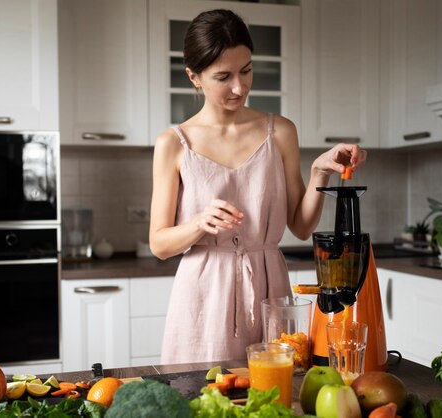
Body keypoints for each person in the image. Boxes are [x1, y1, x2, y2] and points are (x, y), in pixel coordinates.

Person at [149, 9, 367, 364]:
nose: (240, 87)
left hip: (270, 288)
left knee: (276, 396)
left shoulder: (280, 131)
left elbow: (299, 227)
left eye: (246, 70)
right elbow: (158, 243)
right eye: (223, 76)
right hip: (203, 295)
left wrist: (318, 173)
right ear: (194, 77)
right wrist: (198, 223)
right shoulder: (174, 143)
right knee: (202, 399)